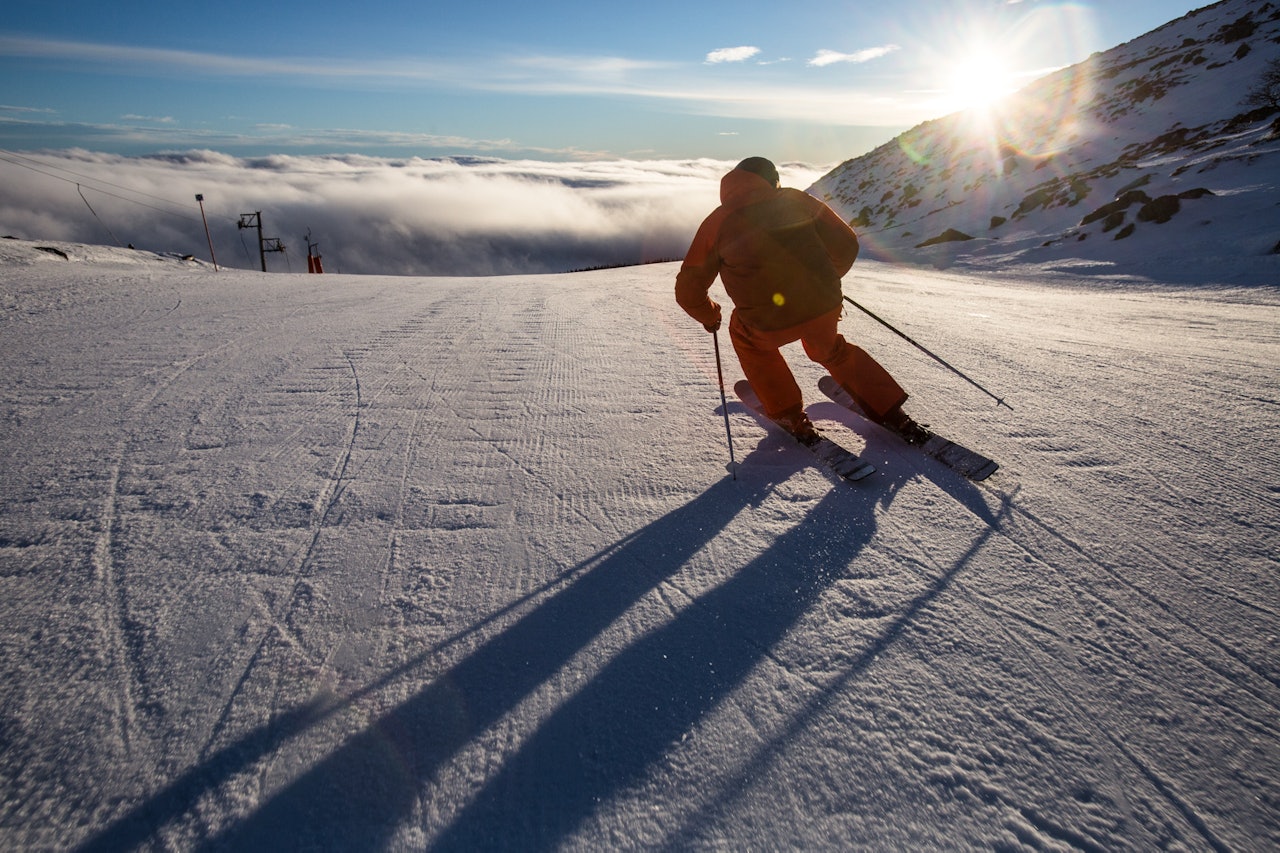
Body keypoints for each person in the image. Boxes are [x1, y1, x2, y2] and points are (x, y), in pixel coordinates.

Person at [675, 156, 928, 446]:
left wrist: (710, 316)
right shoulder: (797, 200)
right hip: (824, 305)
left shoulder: (717, 222)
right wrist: (827, 280)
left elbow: (689, 290)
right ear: (772, 181)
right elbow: (846, 242)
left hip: (766, 320)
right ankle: (889, 408)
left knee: (747, 339)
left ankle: (788, 414)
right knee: (829, 348)